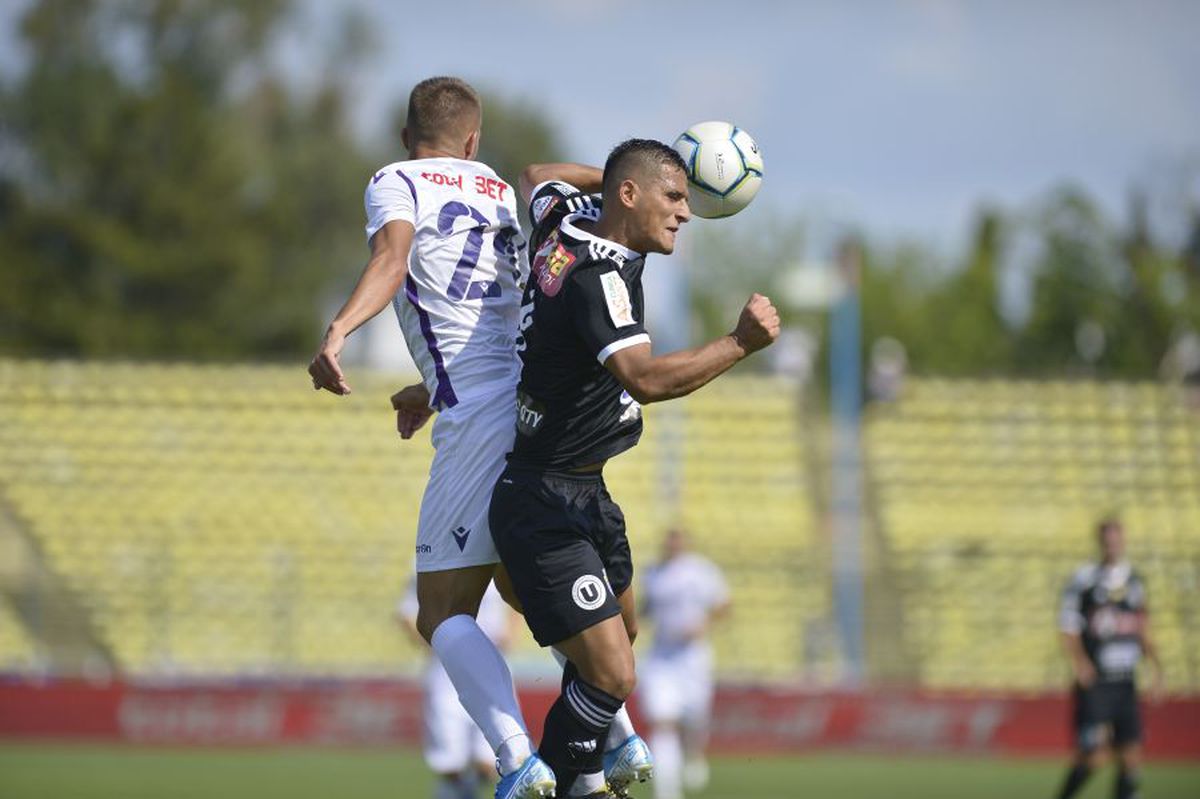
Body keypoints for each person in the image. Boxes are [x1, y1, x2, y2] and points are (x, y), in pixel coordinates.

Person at [489, 138, 779, 798]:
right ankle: (566, 781)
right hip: (545, 497)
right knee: (615, 674)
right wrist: (740, 342)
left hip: (585, 487)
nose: (686, 212)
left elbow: (534, 174)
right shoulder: (599, 276)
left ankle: (586, 766)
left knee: (622, 634)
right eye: (674, 198)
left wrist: (634, 176)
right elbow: (644, 378)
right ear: (630, 197)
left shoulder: (565, 215)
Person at [307, 75, 561, 799]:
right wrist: (430, 382)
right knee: (528, 592)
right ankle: (613, 728)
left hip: (478, 418)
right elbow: (499, 307)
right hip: (530, 400)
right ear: (474, 140)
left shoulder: (396, 180)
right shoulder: (497, 190)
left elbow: (393, 260)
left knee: (442, 612)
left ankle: (517, 758)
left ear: (402, 135)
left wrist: (339, 330)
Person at [1054, 518, 1164, 799]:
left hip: (1125, 681)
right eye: (1108, 540)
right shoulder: (1084, 580)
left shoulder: (1134, 581)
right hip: (1098, 682)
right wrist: (1080, 662)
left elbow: (1142, 626)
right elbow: (1068, 626)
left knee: (1131, 754)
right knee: (1096, 754)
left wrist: (1156, 666)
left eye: (1117, 539)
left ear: (1123, 541)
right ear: (1101, 542)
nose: (1113, 545)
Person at [398, 579, 517, 799]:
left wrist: (511, 630)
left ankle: (466, 789)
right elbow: (406, 611)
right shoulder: (426, 560)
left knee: (491, 760)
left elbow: (515, 596)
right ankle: (458, 790)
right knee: (449, 759)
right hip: (445, 671)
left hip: (491, 665)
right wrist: (430, 640)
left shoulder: (496, 554)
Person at [638, 530, 729, 799]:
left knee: (694, 717)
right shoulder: (653, 573)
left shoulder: (701, 571)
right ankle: (667, 791)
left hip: (692, 656)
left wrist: (703, 624)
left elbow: (724, 604)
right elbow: (646, 608)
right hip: (661, 656)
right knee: (663, 719)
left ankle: (694, 753)